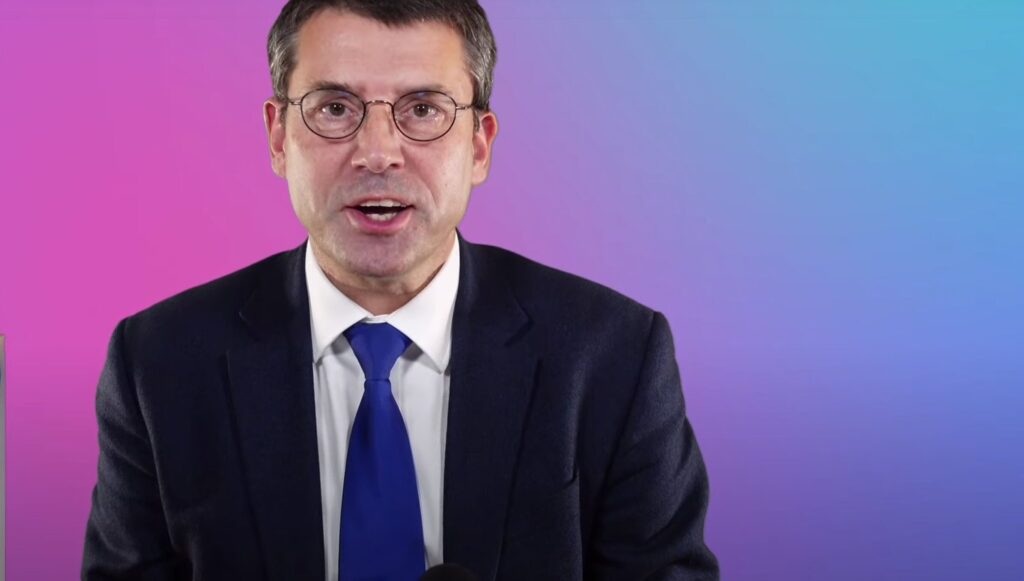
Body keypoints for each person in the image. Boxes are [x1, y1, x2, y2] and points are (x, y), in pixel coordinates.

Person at [81, 1, 720, 579]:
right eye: (335, 109)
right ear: (278, 137)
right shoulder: (160, 362)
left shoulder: (613, 355)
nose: (378, 153)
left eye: (423, 110)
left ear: (479, 145)